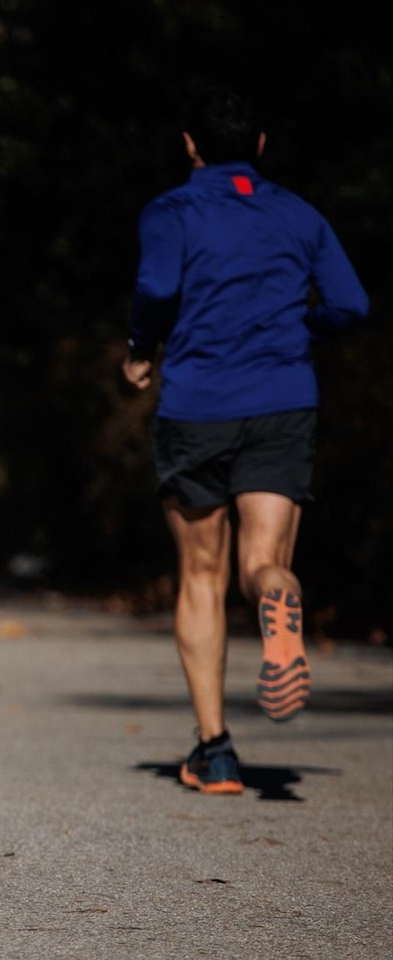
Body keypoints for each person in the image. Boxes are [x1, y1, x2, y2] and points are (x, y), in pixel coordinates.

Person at [124, 88, 368, 794]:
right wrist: (300, 334)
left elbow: (157, 286)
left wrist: (142, 348)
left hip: (198, 405)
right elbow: (352, 305)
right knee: (264, 560)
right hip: (282, 402)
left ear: (189, 144)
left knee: (201, 574)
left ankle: (216, 750)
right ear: (260, 145)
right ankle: (277, 602)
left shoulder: (172, 211)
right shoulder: (299, 214)